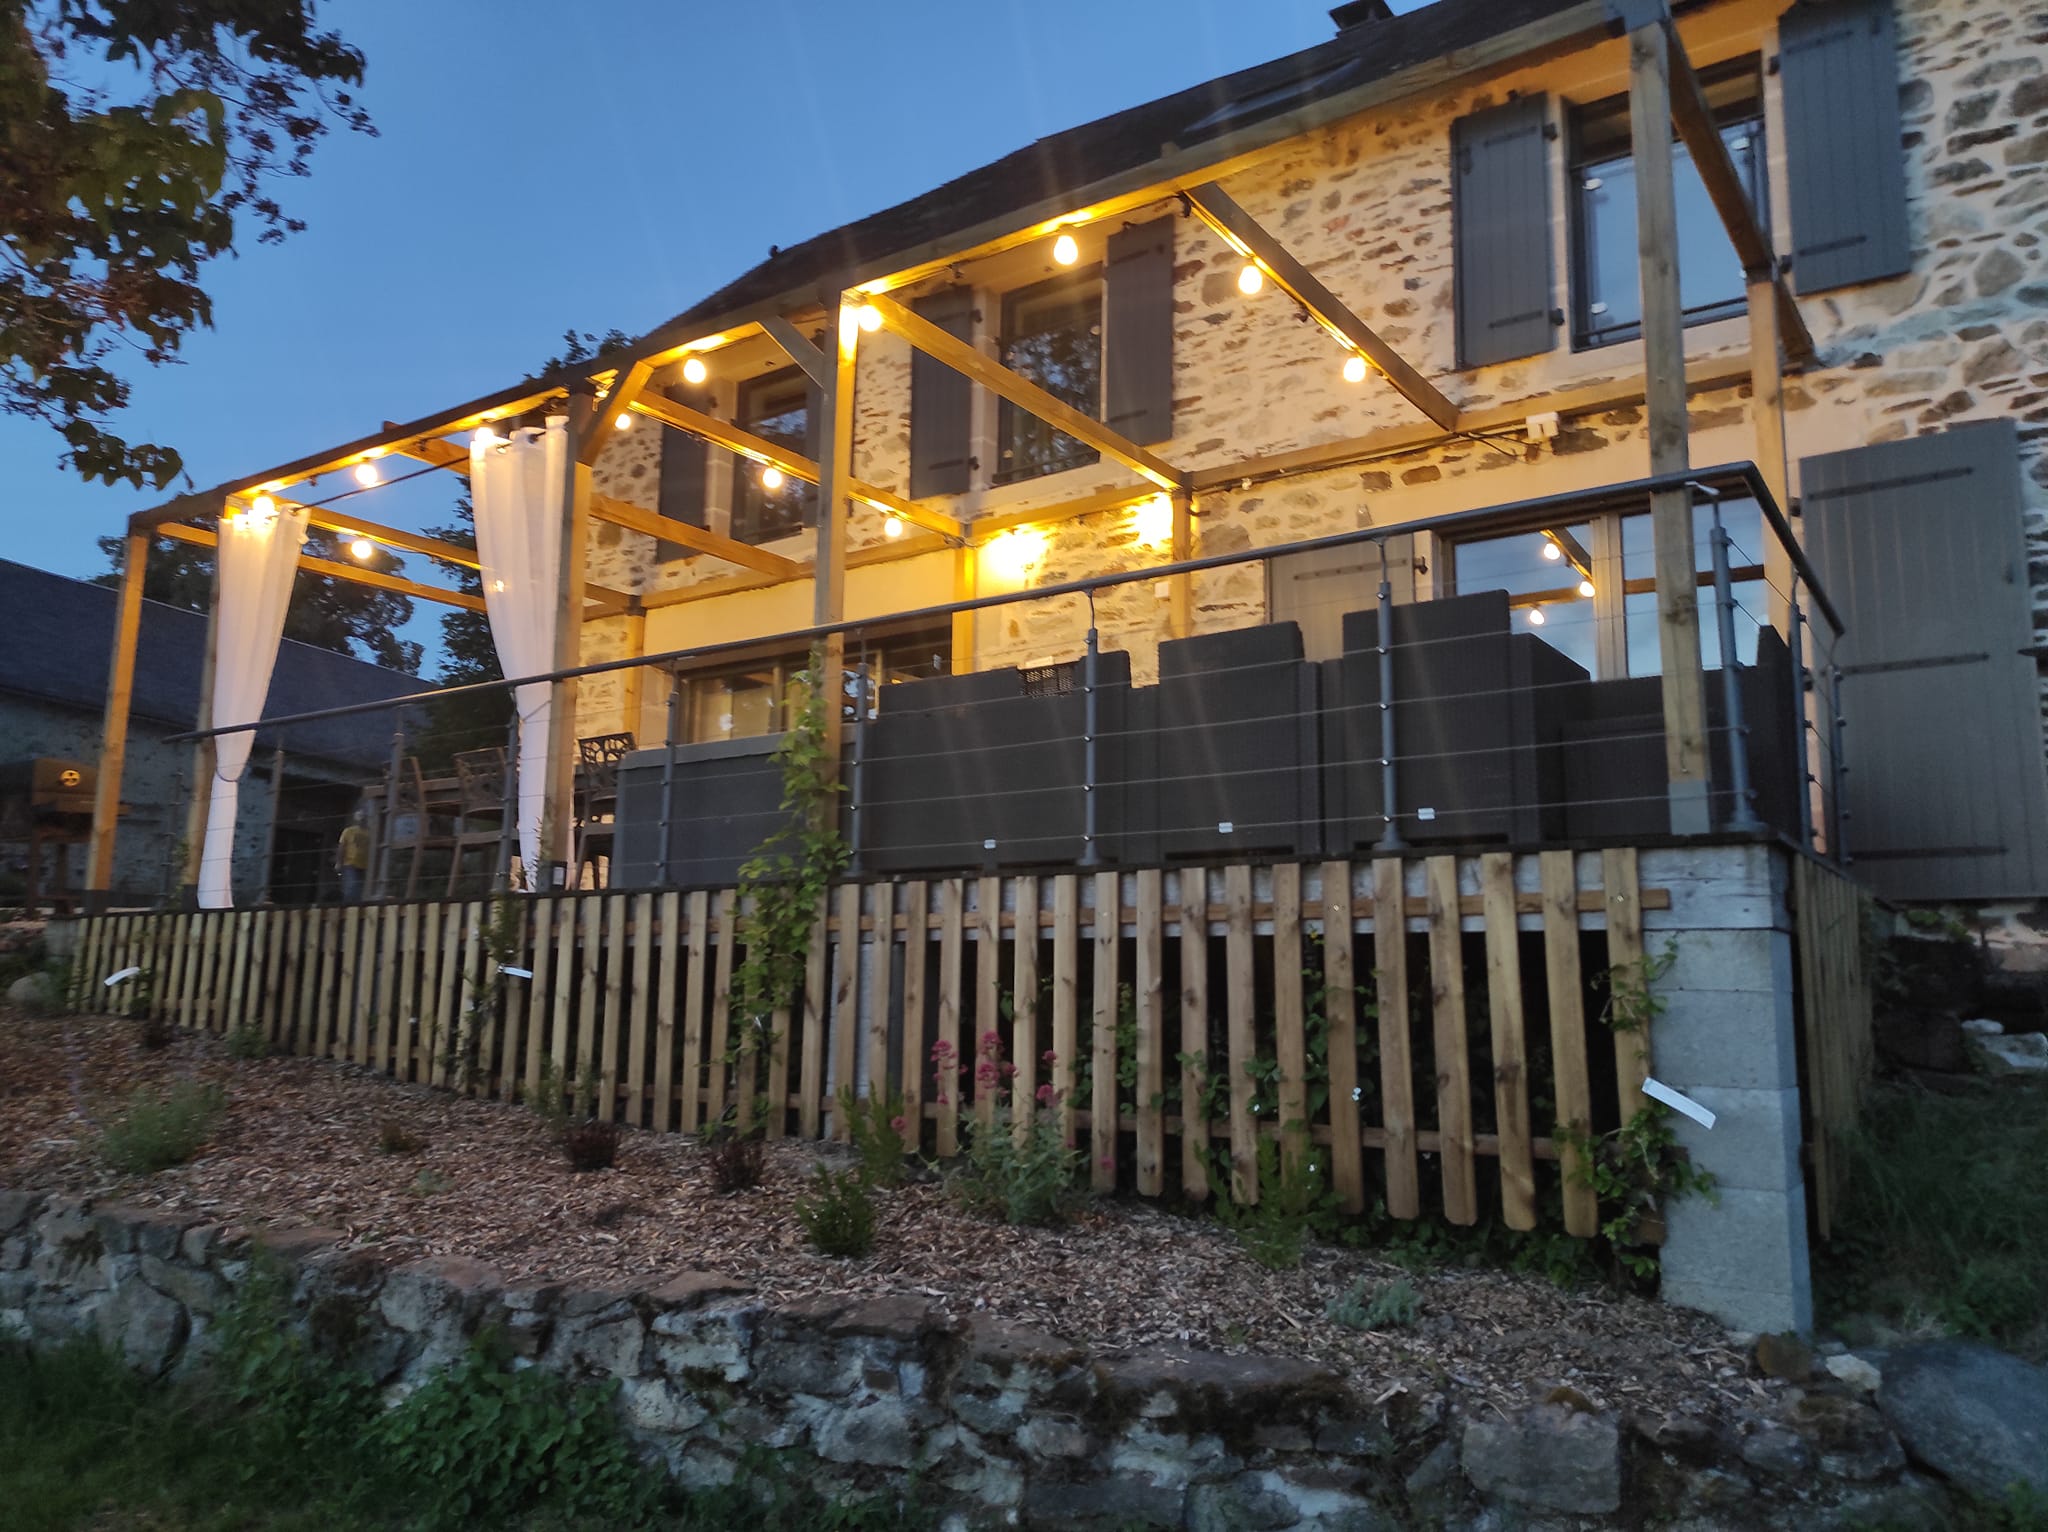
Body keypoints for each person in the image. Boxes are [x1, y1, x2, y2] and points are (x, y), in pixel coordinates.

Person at [336, 805, 371, 902]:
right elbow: (342, 847)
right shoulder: (349, 831)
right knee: (352, 885)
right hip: (350, 863)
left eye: (363, 817)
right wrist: (339, 862)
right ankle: (348, 906)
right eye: (360, 816)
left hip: (364, 865)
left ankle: (355, 906)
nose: (362, 819)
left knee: (359, 888)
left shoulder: (369, 833)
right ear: (356, 818)